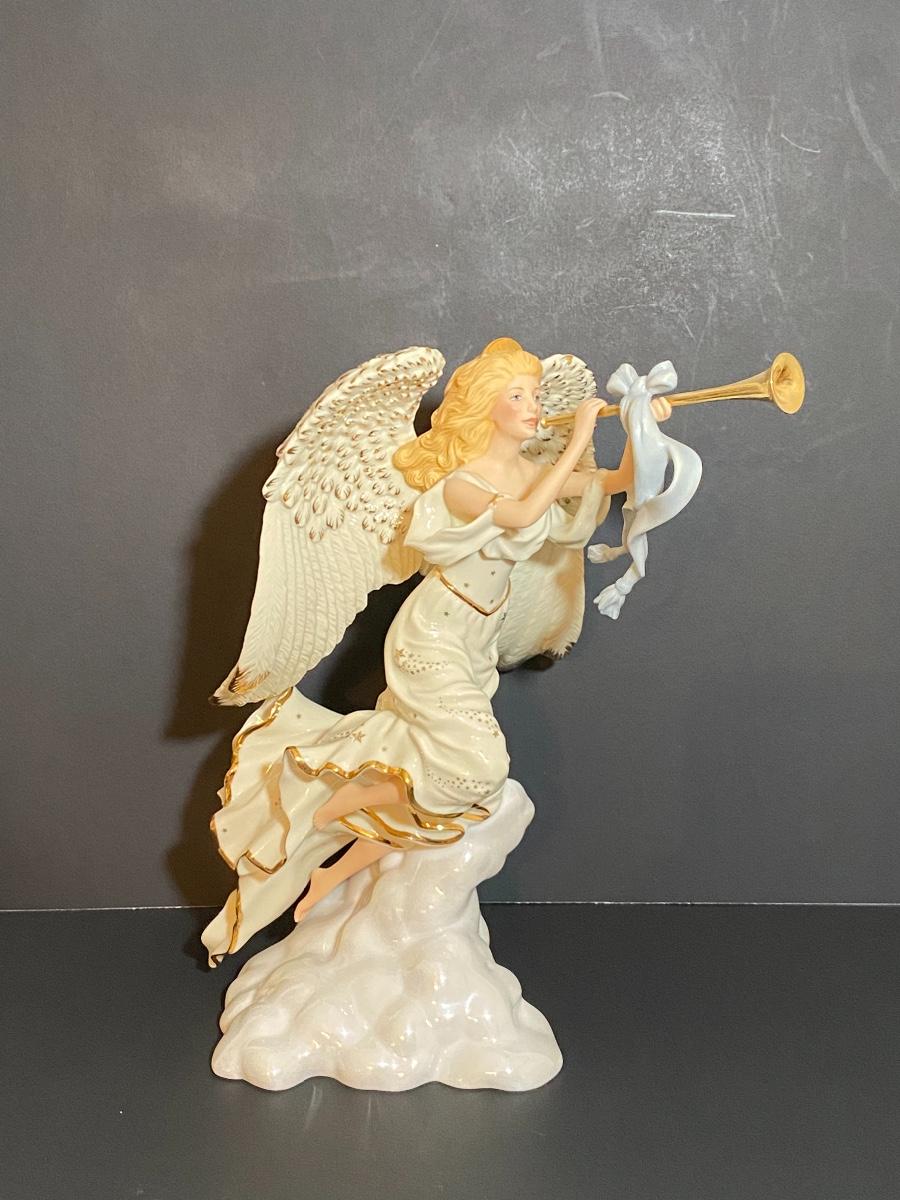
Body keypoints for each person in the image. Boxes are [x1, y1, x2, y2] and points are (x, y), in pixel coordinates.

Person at [200, 338, 670, 966]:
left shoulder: (531, 470)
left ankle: (333, 871)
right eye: (519, 396)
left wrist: (642, 428)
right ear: (486, 407)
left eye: (535, 395)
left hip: (478, 637)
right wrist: (580, 433)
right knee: (476, 771)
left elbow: (616, 481)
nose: (534, 407)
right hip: (434, 636)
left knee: (451, 789)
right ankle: (337, 803)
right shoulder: (461, 484)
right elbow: (523, 513)